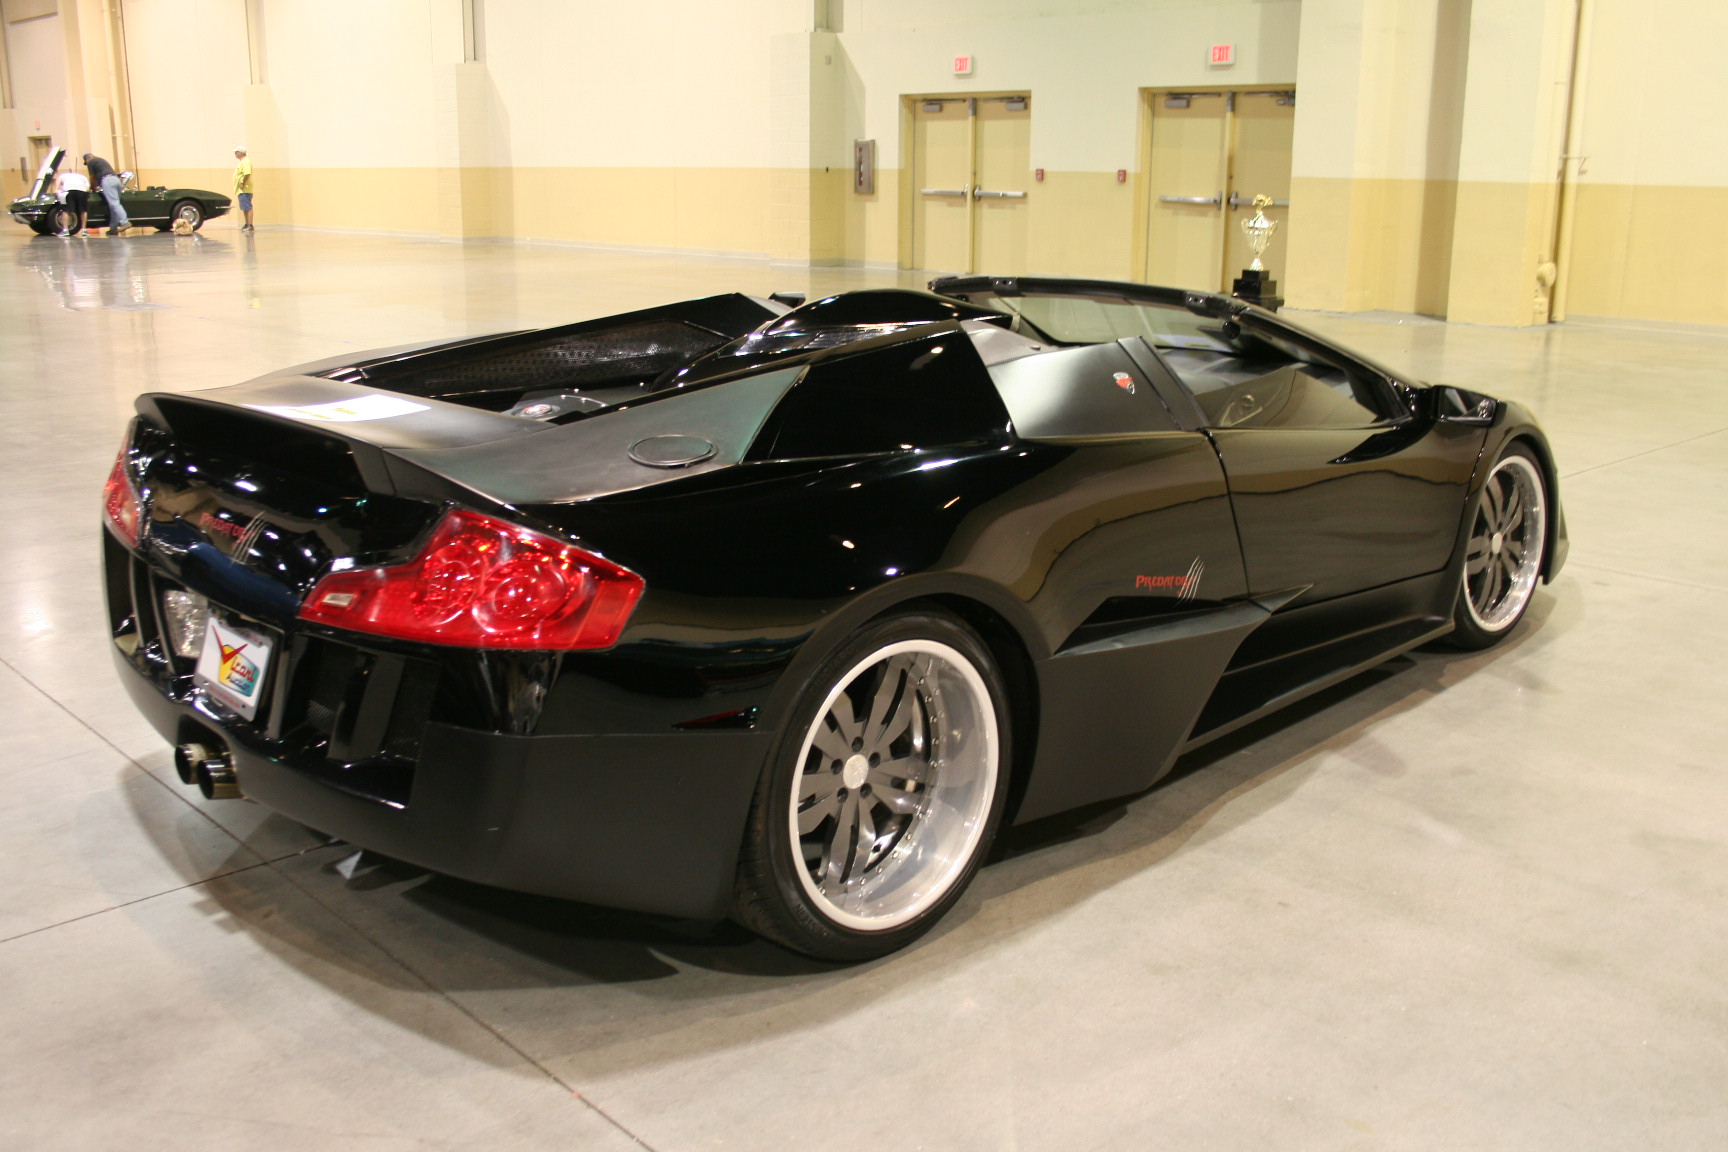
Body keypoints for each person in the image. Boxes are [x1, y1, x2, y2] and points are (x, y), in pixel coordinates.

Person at [83, 152, 130, 234]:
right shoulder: (101, 160)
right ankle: (113, 228)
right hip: (116, 180)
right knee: (114, 204)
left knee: (114, 203)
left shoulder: (91, 162)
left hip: (107, 180)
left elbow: (92, 177)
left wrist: (93, 188)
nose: (87, 164)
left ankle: (125, 222)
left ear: (87, 159)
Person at [55, 167, 91, 236]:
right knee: (83, 210)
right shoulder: (82, 176)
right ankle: (84, 230)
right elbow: (87, 187)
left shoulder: (64, 175)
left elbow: (58, 180)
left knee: (65, 210)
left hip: (68, 190)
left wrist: (56, 189)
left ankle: (65, 230)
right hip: (82, 191)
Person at [233, 148, 254, 231]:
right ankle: (247, 223)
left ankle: (250, 225)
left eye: (236, 152)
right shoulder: (243, 162)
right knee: (244, 207)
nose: (235, 154)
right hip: (241, 190)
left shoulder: (245, 162)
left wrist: (243, 183)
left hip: (245, 189)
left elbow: (247, 173)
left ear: (240, 153)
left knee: (248, 207)